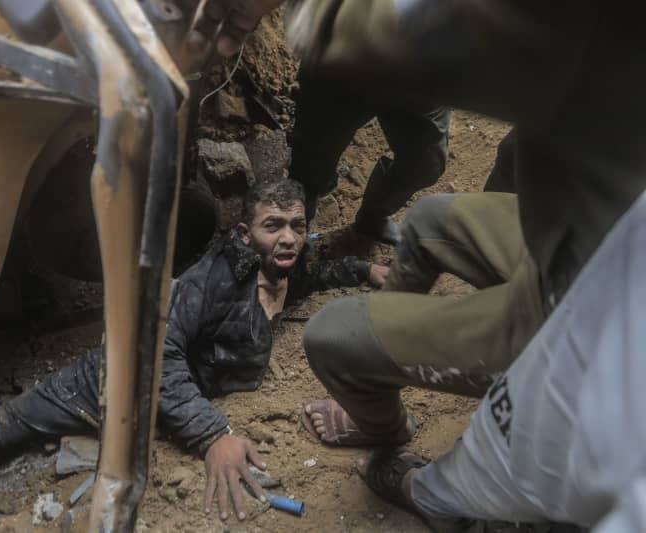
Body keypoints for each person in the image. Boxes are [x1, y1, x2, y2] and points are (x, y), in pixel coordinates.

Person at [188, 0, 646, 529]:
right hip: (595, 239)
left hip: (593, 314)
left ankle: (401, 449)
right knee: (430, 220)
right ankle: (393, 361)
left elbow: (410, 35)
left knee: (333, 338)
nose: (286, 238)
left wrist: (303, 8)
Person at [0, 179, 388, 521]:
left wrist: (366, 273)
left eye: (296, 225)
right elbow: (157, 355)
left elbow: (312, 275)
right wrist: (211, 434)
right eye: (273, 226)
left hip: (170, 396)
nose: (288, 237)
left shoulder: (282, 266)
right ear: (246, 235)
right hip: (111, 379)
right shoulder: (210, 282)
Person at [290, 71, 450, 245]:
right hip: (347, 64)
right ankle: (303, 206)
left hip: (420, 70)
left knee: (425, 163)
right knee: (313, 152)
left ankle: (373, 217)